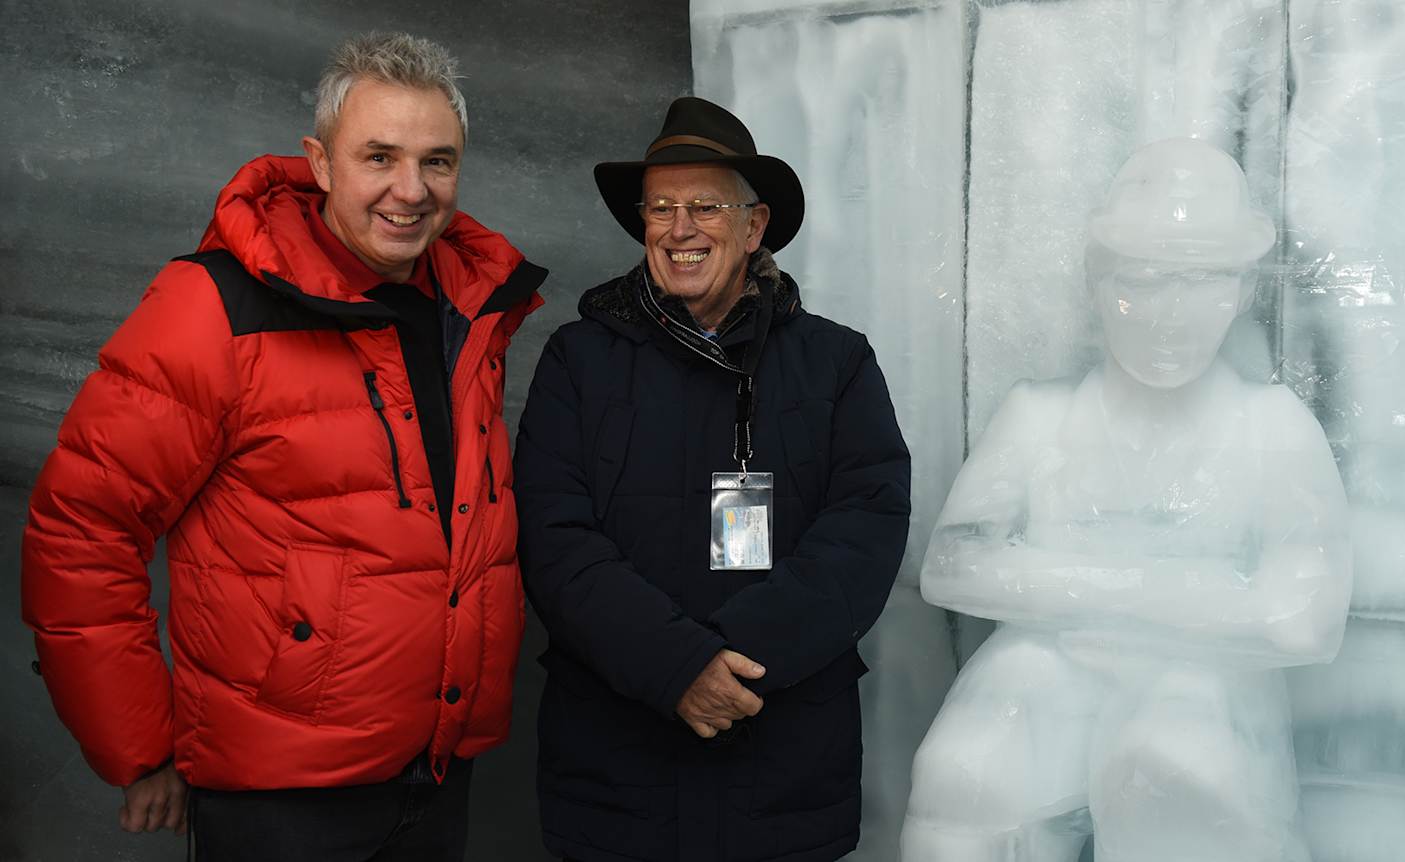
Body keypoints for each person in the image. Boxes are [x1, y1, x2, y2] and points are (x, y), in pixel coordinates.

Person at [20, 31, 545, 861]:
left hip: (439, 772)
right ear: (321, 162)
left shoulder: (471, 306)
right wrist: (140, 748)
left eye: (437, 161)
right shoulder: (213, 306)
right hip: (281, 797)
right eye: (379, 156)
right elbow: (82, 530)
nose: (411, 191)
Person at [902, 138, 1352, 862]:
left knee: (1179, 765)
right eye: (1141, 281)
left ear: (1240, 292)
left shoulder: (1270, 429)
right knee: (967, 771)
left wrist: (1060, 581)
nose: (1169, 315)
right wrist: (1184, 587)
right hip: (1053, 672)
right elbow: (953, 568)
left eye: (1200, 281)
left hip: (1204, 690)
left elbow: (1303, 619)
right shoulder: (1039, 418)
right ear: (1096, 282)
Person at [513, 96, 912, 862]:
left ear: (755, 225)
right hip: (618, 771)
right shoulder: (577, 360)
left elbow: (868, 525)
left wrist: (731, 662)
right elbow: (553, 536)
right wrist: (675, 666)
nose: (679, 227)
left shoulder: (836, 362)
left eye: (704, 205)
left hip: (784, 764)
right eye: (660, 207)